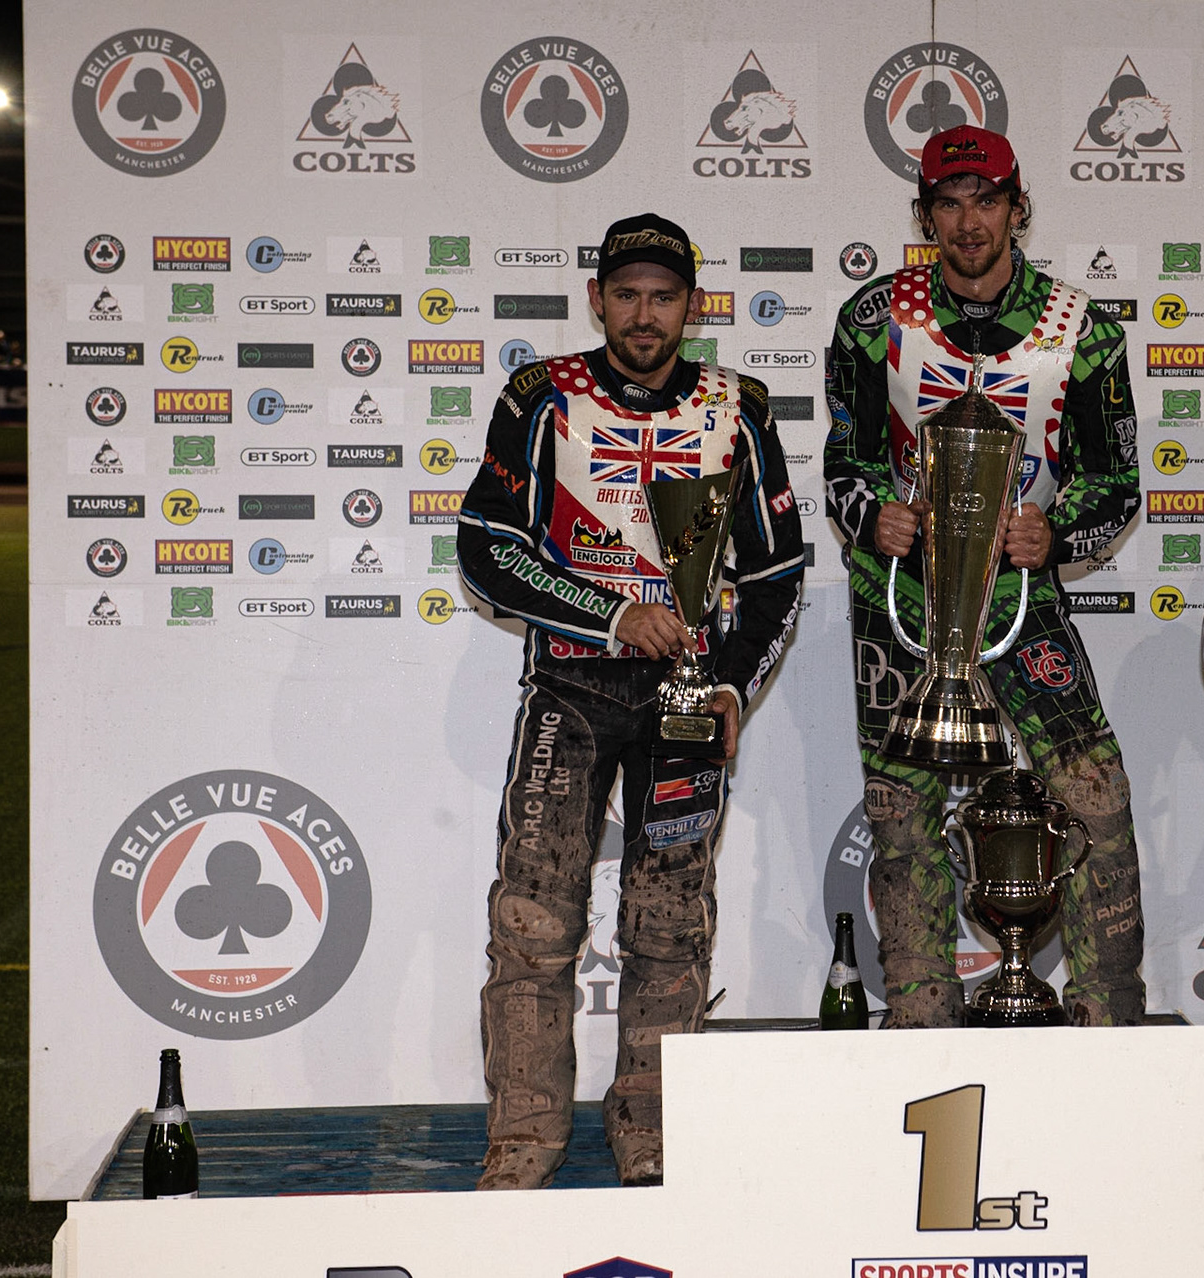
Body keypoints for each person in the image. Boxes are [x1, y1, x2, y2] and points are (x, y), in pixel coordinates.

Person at [457, 213, 804, 1188]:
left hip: (685, 705)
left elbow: (776, 574)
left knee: (670, 924)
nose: (644, 316)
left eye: (663, 297)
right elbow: (485, 547)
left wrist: (732, 682)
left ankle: (651, 1135)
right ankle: (523, 1145)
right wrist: (614, 615)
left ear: (692, 305)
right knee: (534, 923)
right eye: (626, 295)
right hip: (571, 689)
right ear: (596, 300)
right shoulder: (541, 398)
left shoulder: (740, 409)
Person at [823, 125, 1145, 1028]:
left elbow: (1117, 483)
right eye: (950, 204)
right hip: (900, 602)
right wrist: (871, 518)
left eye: (988, 201)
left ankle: (1110, 1020)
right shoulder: (872, 319)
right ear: (924, 214)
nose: (970, 223)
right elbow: (844, 462)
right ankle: (920, 1023)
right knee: (901, 817)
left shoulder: (1083, 329)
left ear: (1018, 207)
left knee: (1096, 798)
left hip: (1017, 600)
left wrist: (1057, 530)